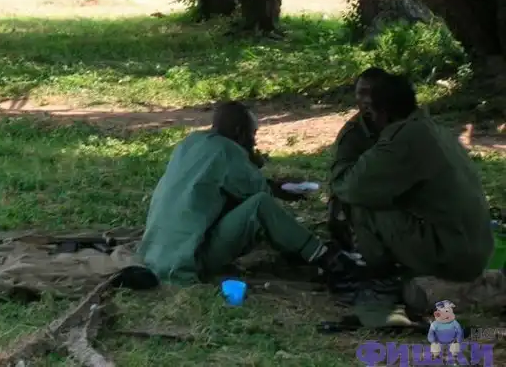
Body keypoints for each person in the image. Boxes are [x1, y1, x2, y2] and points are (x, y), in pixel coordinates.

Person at [137, 100, 358, 285]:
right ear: (239, 132)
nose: (255, 141)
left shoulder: (190, 142)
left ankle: (302, 251)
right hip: (188, 260)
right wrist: (255, 164)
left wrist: (252, 166)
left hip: (154, 253)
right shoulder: (227, 150)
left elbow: (224, 184)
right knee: (260, 206)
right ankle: (326, 258)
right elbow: (260, 193)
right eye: (253, 134)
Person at [332, 73, 494, 285]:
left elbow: (350, 188)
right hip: (476, 250)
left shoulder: (403, 139)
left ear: (381, 111)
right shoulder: (434, 129)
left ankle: (381, 276)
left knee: (361, 206)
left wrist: (342, 163)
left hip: (454, 258)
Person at [327, 67, 390, 251]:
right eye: (362, 93)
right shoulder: (352, 135)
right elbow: (340, 183)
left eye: (374, 93)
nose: (367, 100)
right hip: (368, 194)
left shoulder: (405, 123)